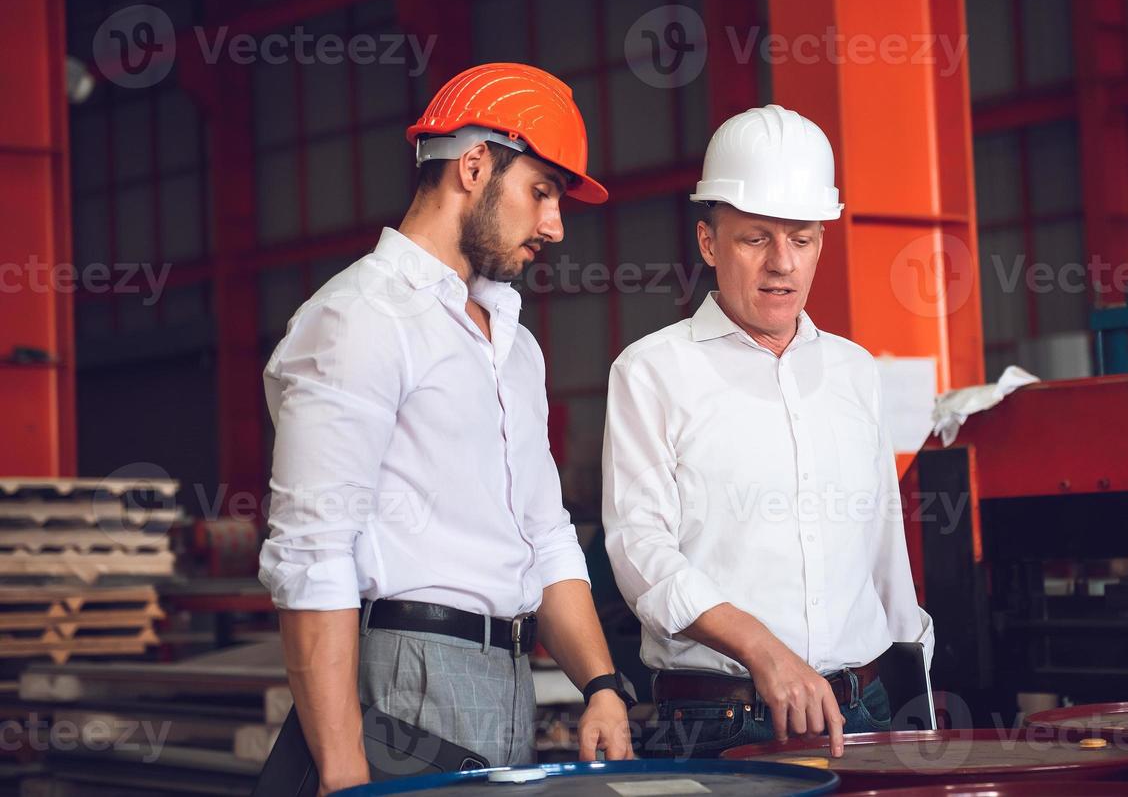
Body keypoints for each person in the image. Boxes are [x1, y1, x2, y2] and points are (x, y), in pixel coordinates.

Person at [259, 63, 636, 795]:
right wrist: (344, 778)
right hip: (406, 673)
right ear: (473, 166)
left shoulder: (513, 346)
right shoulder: (361, 318)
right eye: (542, 191)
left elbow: (546, 533)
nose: (554, 226)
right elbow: (313, 555)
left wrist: (600, 684)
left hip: (508, 678)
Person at [601, 103, 933, 758]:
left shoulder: (855, 371)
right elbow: (638, 550)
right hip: (716, 724)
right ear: (708, 242)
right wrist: (762, 648)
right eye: (756, 238)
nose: (782, 264)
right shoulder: (652, 372)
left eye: (802, 239)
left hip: (861, 716)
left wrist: (919, 703)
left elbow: (884, 552)